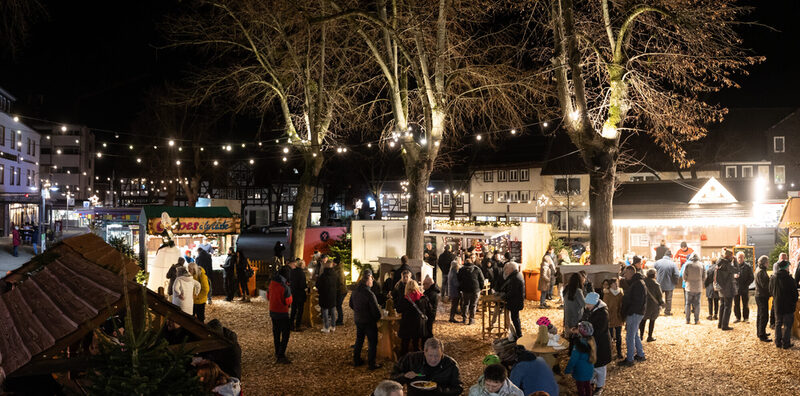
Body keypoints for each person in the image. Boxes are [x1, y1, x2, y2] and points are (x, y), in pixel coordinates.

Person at [391, 338, 463, 396]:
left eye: (437, 356)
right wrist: (404, 377)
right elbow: (392, 380)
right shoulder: (411, 359)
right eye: (430, 355)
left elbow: (458, 389)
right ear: (424, 352)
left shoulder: (450, 365)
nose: (433, 359)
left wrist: (439, 390)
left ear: (442, 353)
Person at [350, 269, 383, 370]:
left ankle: (356, 360)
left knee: (359, 340)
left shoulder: (355, 291)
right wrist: (376, 318)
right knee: (372, 342)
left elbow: (351, 304)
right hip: (369, 321)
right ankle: (371, 364)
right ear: (368, 280)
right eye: (371, 279)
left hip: (359, 319)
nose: (372, 281)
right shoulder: (369, 294)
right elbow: (376, 312)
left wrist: (358, 312)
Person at [582, 292, 610, 395]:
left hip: (600, 343)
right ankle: (592, 381)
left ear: (596, 303)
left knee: (600, 366)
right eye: (587, 304)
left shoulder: (603, 313)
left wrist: (584, 332)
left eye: (589, 304)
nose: (587, 306)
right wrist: (579, 326)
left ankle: (600, 386)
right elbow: (583, 319)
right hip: (591, 342)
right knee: (591, 363)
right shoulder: (589, 309)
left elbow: (599, 330)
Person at [618, 265, 646, 367]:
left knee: (630, 336)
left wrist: (628, 312)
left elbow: (635, 301)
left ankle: (630, 359)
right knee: (634, 334)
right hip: (638, 312)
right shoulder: (639, 282)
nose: (625, 275)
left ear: (630, 272)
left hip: (634, 313)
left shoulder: (637, 284)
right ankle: (640, 354)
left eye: (626, 273)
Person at [770, 259, 798, 349]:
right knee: (787, 325)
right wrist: (794, 301)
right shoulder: (790, 279)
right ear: (786, 268)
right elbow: (795, 293)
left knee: (778, 323)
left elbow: (770, 290)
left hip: (777, 304)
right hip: (788, 305)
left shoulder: (773, 278)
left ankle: (778, 342)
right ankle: (786, 343)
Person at [397, 280, 429, 356]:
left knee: (405, 344)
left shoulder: (404, 299)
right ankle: (417, 361)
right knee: (416, 344)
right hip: (418, 325)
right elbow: (429, 309)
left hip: (406, 325)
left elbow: (398, 309)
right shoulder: (423, 298)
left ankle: (403, 361)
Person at [268, 266, 293, 364]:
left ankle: (277, 351)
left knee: (276, 332)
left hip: (272, 311)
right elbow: (288, 301)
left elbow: (267, 295)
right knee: (286, 333)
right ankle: (281, 355)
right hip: (282, 312)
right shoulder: (284, 287)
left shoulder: (272, 283)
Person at [565, 321, 596, 396]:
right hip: (589, 369)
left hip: (580, 371)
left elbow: (573, 360)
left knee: (580, 387)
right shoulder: (592, 341)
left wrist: (567, 370)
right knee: (587, 385)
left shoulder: (578, 346)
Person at [499, 262, 525, 338]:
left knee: (515, 319)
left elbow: (513, 292)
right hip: (516, 301)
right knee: (515, 318)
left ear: (511, 269)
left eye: (507, 268)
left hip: (515, 302)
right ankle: (518, 334)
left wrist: (503, 297)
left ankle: (519, 335)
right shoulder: (516, 275)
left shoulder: (515, 277)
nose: (506, 270)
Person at [458, 255, 485, 325]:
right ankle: (471, 320)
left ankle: (464, 319)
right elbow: (482, 280)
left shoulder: (461, 269)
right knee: (473, 305)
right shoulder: (477, 269)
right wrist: (481, 288)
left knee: (465, 304)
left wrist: (461, 288)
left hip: (465, 290)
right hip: (475, 289)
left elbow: (459, 279)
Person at [316, 259, 340, 333]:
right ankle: (333, 326)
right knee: (332, 311)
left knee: (325, 311)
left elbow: (318, 285)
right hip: (332, 295)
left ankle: (326, 327)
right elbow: (338, 284)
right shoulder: (335, 274)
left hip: (324, 295)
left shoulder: (323, 276)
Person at [715, 249, 736, 331]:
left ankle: (720, 324)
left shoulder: (719, 262)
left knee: (722, 305)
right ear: (728, 256)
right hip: (727, 288)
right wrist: (735, 261)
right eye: (731, 255)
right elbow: (737, 270)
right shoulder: (727, 264)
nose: (732, 257)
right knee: (728, 306)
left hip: (721, 287)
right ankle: (725, 325)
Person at [640, 269, 663, 342]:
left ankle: (640, 336)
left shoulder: (642, 282)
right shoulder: (656, 284)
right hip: (653, 305)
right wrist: (661, 303)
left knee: (643, 320)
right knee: (652, 321)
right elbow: (659, 296)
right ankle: (649, 336)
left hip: (643, 304)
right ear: (654, 275)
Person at [603, 278, 624, 360]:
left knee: (618, 336)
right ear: (611, 285)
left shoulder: (620, 292)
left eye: (617, 283)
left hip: (618, 317)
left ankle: (619, 352)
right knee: (610, 336)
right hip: (610, 317)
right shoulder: (607, 294)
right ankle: (609, 353)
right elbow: (605, 306)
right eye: (614, 283)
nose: (616, 285)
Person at [682, 253, 705, 325]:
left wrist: (686, 280)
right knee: (697, 304)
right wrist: (701, 282)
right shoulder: (702, 265)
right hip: (698, 287)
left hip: (689, 287)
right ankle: (697, 320)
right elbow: (704, 276)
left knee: (688, 304)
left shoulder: (687, 264)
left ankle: (687, 320)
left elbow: (684, 275)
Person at [653, 251, 678, 316]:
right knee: (668, 299)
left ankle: (657, 311)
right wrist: (675, 282)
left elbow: (653, 269)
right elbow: (676, 274)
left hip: (659, 284)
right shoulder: (673, 264)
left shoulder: (658, 262)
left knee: (658, 298)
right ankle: (667, 312)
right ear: (670, 256)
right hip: (669, 284)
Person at [754, 255, 772, 342]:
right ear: (765, 263)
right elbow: (765, 285)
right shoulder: (761, 272)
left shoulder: (759, 270)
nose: (768, 264)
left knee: (760, 315)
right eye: (768, 262)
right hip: (762, 296)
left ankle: (760, 332)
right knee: (764, 316)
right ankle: (762, 335)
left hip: (759, 295)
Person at [733, 252, 754, 323]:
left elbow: (751, 277)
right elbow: (729, 276)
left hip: (744, 288)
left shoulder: (748, 266)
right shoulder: (733, 266)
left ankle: (746, 318)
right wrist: (733, 277)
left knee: (745, 304)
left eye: (741, 257)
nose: (739, 259)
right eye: (738, 257)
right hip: (735, 288)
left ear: (744, 258)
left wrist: (746, 284)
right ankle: (737, 317)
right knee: (736, 304)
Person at [288, 259, 308, 331]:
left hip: (293, 292)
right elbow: (302, 285)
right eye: (304, 264)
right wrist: (306, 287)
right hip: (300, 293)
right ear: (302, 265)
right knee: (300, 310)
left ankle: (291, 325)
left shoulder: (292, 271)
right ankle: (298, 325)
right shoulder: (301, 273)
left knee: (293, 309)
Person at [422, 275, 440, 343]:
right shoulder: (431, 291)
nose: (423, 286)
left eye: (424, 284)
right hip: (430, 314)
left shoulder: (432, 293)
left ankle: (430, 345)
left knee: (428, 332)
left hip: (429, 314)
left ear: (429, 284)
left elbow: (427, 305)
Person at [448, 257, 462, 323]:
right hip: (454, 291)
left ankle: (452, 317)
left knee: (454, 305)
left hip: (452, 291)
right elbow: (455, 283)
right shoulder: (454, 272)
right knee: (454, 305)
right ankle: (451, 317)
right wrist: (461, 284)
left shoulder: (451, 271)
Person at [334, 257, 347, 326]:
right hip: (340, 290)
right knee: (338, 305)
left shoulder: (340, 270)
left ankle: (340, 320)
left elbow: (341, 282)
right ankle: (339, 319)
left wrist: (336, 288)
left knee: (338, 305)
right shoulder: (337, 269)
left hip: (341, 291)